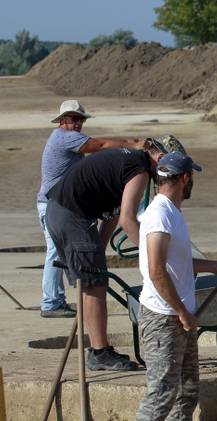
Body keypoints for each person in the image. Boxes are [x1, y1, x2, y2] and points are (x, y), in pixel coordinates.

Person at [128, 152, 217, 421]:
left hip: (177, 315)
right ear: (185, 178)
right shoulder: (159, 215)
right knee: (162, 391)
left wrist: (213, 267)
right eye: (192, 177)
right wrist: (183, 312)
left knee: (186, 389)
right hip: (164, 318)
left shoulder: (172, 213)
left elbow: (177, 264)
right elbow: (156, 270)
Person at [45, 139, 171, 371]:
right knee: (94, 285)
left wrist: (98, 253)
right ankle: (100, 352)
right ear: (160, 158)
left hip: (60, 212)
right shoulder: (140, 170)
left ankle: (98, 349)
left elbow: (114, 214)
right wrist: (153, 256)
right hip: (72, 216)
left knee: (92, 280)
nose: (166, 177)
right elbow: (128, 221)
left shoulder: (127, 161)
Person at [37, 99, 144, 318]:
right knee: (55, 253)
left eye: (80, 119)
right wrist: (132, 144)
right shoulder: (65, 137)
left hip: (63, 204)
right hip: (54, 204)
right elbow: (100, 146)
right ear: (62, 120)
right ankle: (51, 303)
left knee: (60, 253)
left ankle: (57, 300)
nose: (77, 123)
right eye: (73, 119)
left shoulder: (66, 137)